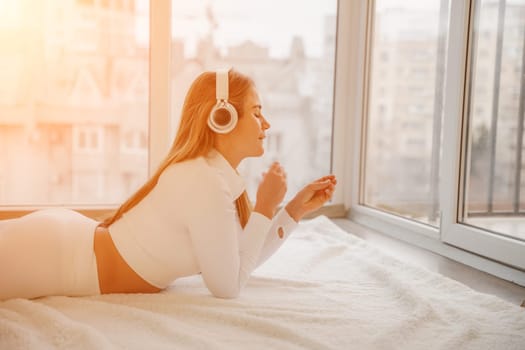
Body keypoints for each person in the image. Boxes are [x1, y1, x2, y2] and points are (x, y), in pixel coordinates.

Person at [0, 68, 336, 300]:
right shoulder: (203, 180)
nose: (267, 123)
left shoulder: (214, 178)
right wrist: (264, 205)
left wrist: (292, 210)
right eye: (256, 112)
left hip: (67, 248)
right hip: (61, 257)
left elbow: (238, 263)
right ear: (223, 117)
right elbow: (227, 287)